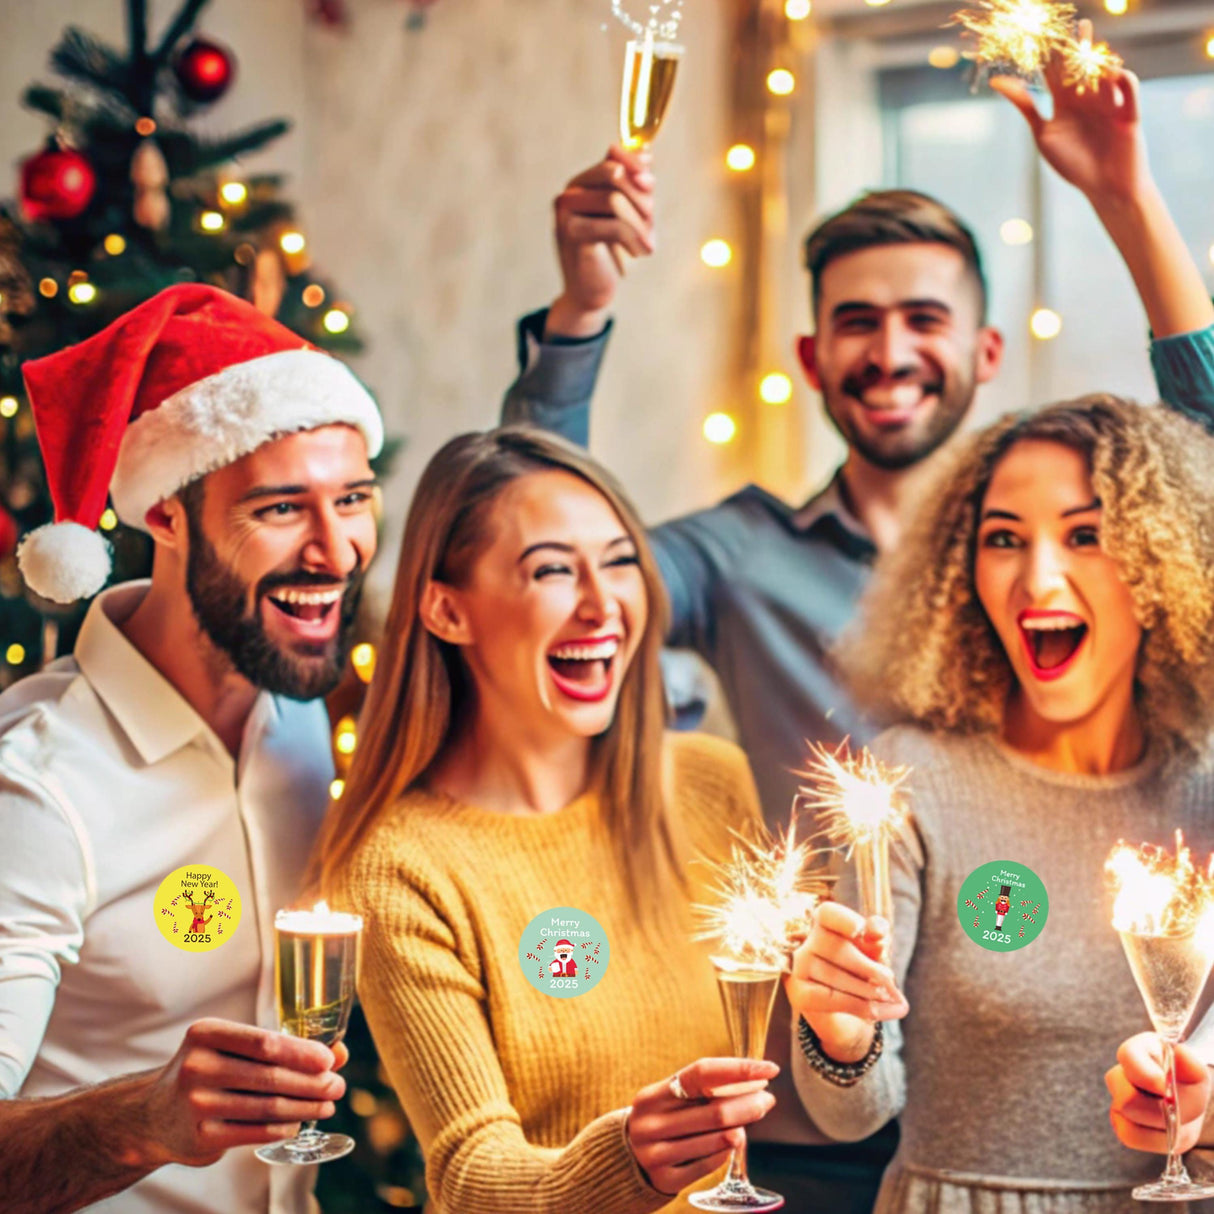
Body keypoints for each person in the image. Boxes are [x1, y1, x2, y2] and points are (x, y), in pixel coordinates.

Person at [501, 40, 1214, 1210]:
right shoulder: (736, 553)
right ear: (811, 355)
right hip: (812, 1114)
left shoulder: (1093, 552)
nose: (889, 351)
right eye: (856, 321)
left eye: (922, 318)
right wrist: (580, 313)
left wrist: (1127, 203)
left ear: (984, 355)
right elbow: (549, 560)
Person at [784, 66, 1214, 1214]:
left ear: (1159, 567)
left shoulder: (1205, 792)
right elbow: (848, 1106)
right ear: (955, 575)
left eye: (1086, 534)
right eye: (1001, 538)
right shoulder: (906, 784)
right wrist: (832, 1026)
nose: (1036, 577)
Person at [313, 427, 782, 1214]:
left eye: (621, 561)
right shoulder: (399, 865)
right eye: (554, 570)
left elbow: (803, 1066)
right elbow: (469, 1175)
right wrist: (629, 1157)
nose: (604, 605)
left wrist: (846, 1033)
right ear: (446, 609)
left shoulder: (709, 782)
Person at [0, 284, 384, 1214]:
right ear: (166, 515)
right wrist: (147, 1119)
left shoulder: (301, 708)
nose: (336, 551)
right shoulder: (37, 785)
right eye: (282, 509)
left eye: (356, 499)